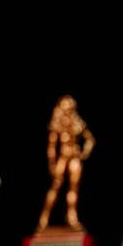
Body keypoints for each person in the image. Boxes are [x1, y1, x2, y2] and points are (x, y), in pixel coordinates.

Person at [37, 95, 95, 232]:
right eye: (65, 108)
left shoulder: (77, 123)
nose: (67, 111)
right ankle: (44, 219)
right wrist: (52, 163)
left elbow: (90, 139)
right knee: (56, 186)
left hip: (74, 158)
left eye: (69, 108)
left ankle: (72, 218)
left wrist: (84, 153)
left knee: (73, 189)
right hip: (63, 158)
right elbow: (51, 147)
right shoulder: (57, 124)